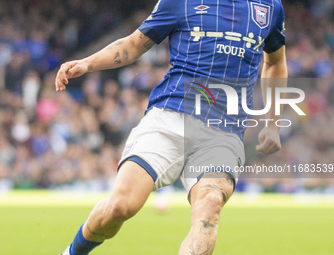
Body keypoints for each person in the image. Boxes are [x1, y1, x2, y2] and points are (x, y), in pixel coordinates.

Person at [55, 0, 287, 254]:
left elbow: (275, 62)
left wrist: (273, 122)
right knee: (120, 207)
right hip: (170, 116)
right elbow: (133, 45)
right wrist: (88, 63)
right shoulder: (180, 1)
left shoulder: (269, 7)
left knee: (210, 204)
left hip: (224, 129)